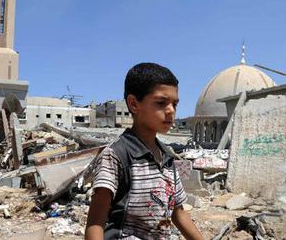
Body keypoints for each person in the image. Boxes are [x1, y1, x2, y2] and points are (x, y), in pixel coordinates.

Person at [85, 63, 203, 240]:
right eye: (161, 103)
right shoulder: (117, 155)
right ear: (134, 104)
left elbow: (178, 213)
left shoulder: (167, 157)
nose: (171, 110)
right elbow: (95, 223)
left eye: (175, 104)